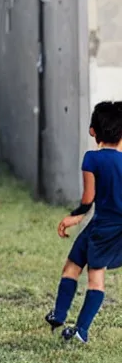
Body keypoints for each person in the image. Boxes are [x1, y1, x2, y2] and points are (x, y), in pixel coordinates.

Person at [45, 101, 122, 343]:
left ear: (92, 130)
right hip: (108, 227)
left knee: (74, 269)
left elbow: (88, 198)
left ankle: (71, 323)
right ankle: (68, 322)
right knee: (89, 274)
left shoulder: (92, 159)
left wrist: (73, 216)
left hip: (101, 226)